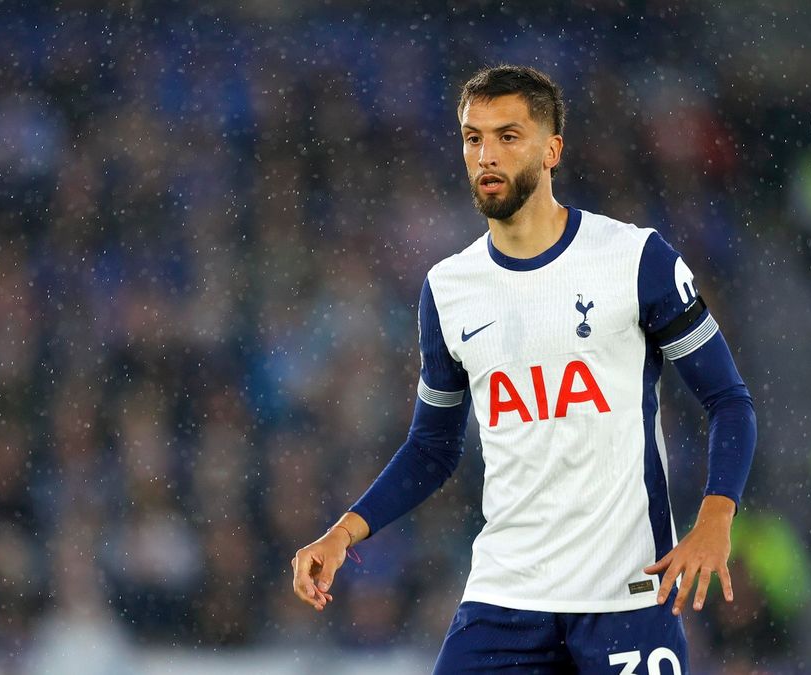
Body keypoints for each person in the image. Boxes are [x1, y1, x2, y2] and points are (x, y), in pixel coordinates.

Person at [290, 65, 756, 673]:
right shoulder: (448, 289)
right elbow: (432, 448)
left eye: (508, 136)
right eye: (473, 137)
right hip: (507, 596)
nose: (487, 154)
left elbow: (728, 400)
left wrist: (716, 517)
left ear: (551, 149)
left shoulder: (635, 259)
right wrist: (344, 531)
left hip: (626, 593)